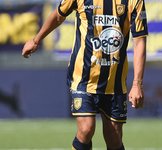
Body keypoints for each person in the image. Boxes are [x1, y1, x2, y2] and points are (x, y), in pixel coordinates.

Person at [22, 0, 148, 149]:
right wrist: (36, 40)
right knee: (86, 129)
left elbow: (139, 41)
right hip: (83, 77)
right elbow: (58, 16)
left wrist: (137, 83)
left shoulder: (134, 1)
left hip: (115, 81)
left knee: (114, 137)